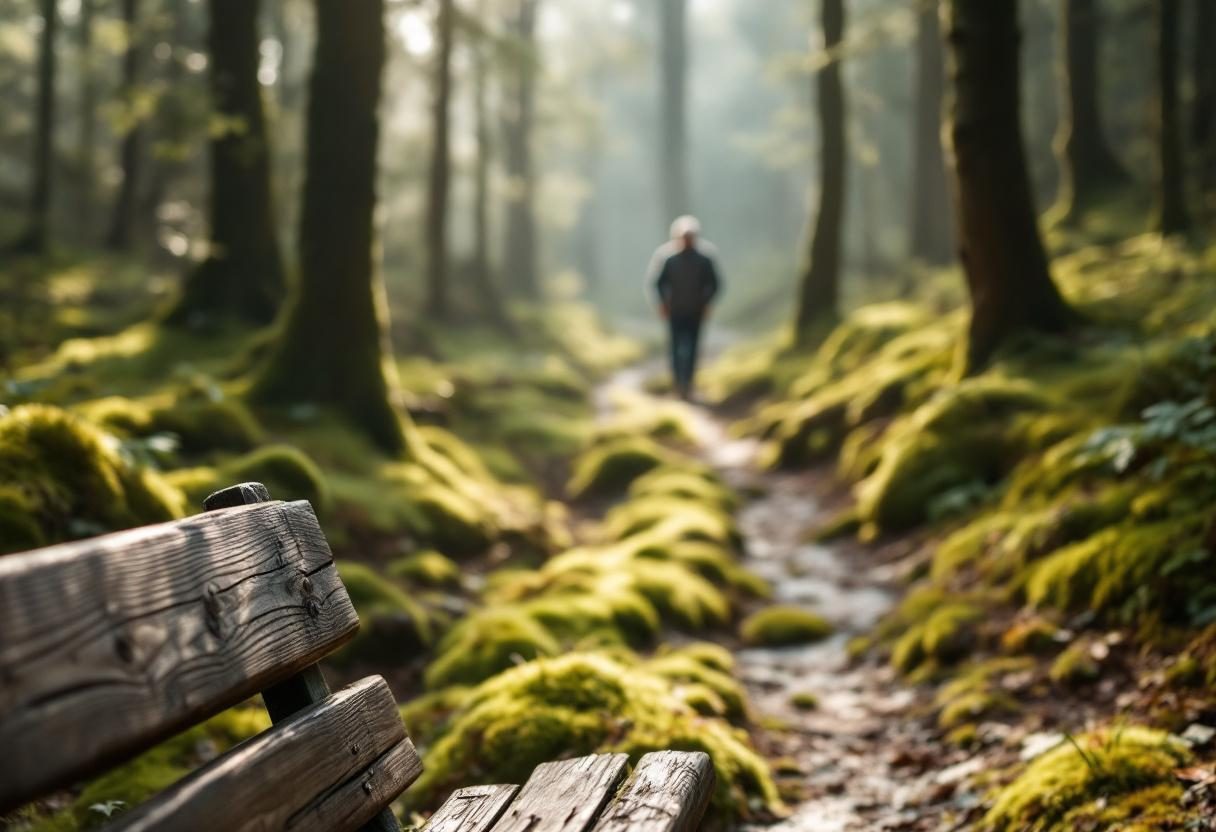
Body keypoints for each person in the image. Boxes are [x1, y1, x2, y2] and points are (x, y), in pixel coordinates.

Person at [647, 215, 722, 400]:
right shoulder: (668, 259)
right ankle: (677, 384)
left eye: (691, 236)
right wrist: (662, 303)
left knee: (694, 347)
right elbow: (657, 283)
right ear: (677, 237)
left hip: (695, 310)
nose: (687, 240)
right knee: (675, 347)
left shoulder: (705, 259)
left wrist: (707, 303)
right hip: (675, 311)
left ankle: (688, 383)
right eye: (684, 237)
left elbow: (715, 284)